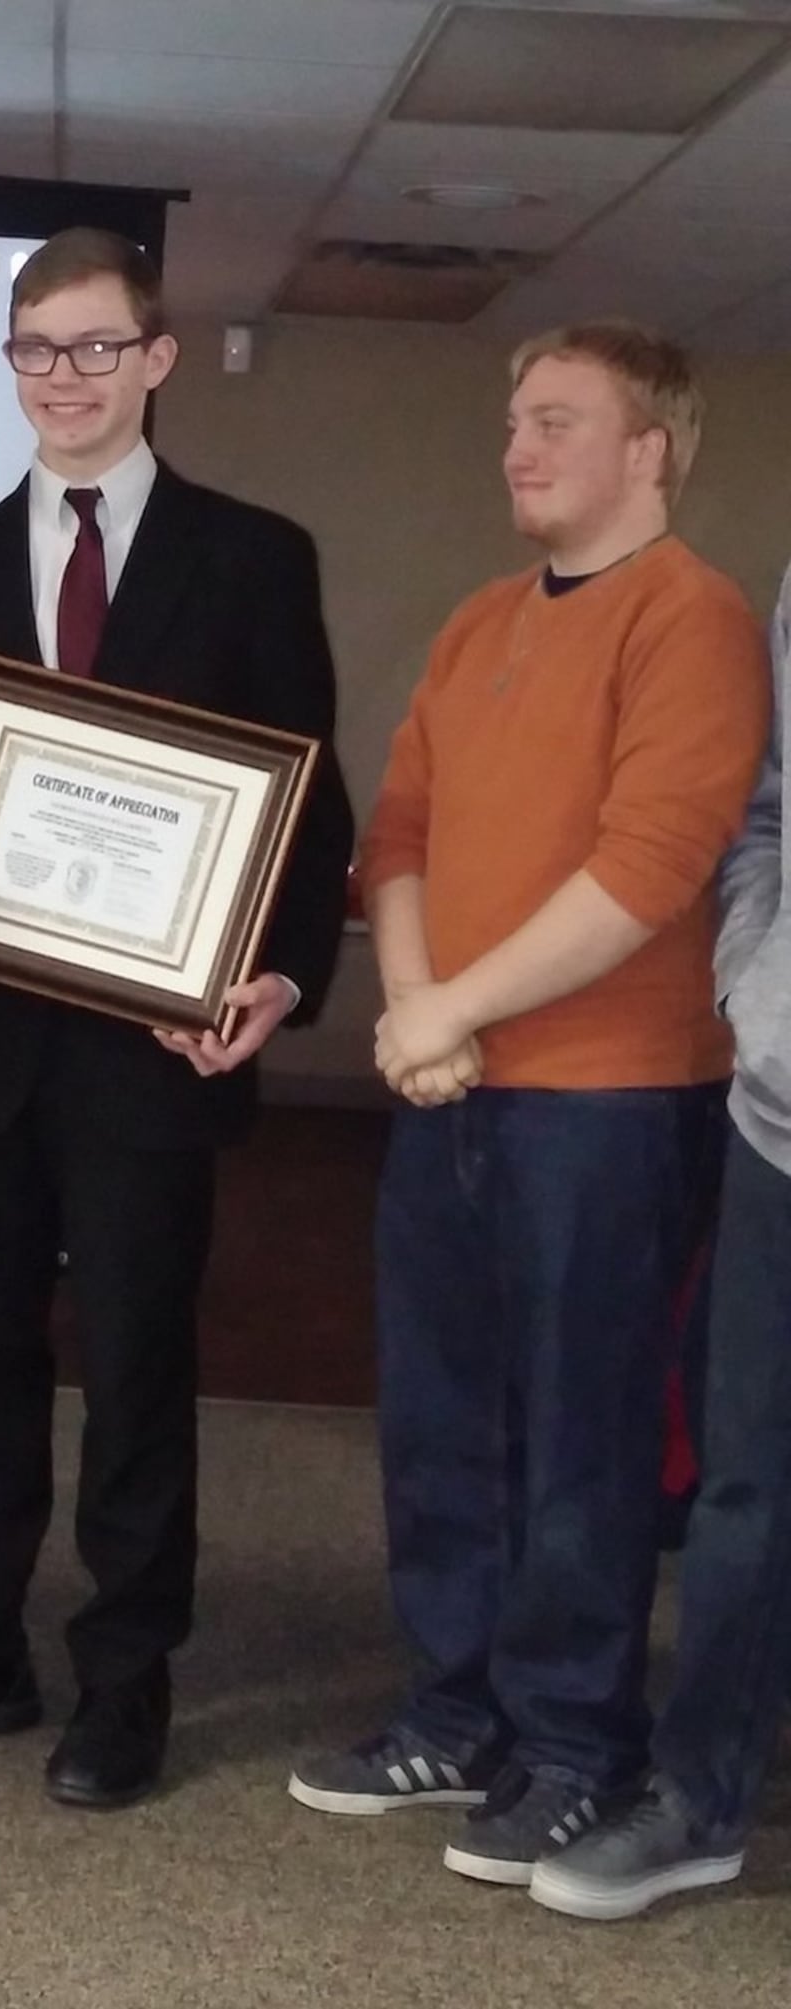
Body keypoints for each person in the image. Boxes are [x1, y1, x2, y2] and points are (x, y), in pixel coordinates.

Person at [0, 227, 353, 1809]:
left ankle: (127, 1676)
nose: (65, 379)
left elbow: (305, 811)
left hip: (153, 1054)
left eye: (95, 347)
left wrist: (277, 974)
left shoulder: (258, 558)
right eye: (36, 350)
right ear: (12, 366)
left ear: (156, 358)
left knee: (136, 1371)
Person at [288, 322, 770, 1888]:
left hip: (611, 1104)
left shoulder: (693, 619)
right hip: (456, 1087)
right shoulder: (481, 615)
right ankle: (457, 1706)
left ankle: (575, 1737)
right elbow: (397, 832)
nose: (519, 446)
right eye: (515, 421)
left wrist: (447, 1011)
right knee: (442, 1416)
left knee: (583, 1434)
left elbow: (651, 866)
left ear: (653, 452)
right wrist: (423, 1017)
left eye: (559, 421)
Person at [531, 560, 791, 1921]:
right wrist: (759, 986)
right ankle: (701, 1792)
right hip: (783, 1121)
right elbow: (770, 816)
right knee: (750, 1489)